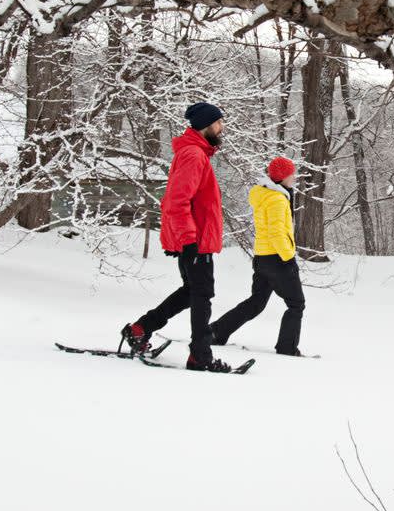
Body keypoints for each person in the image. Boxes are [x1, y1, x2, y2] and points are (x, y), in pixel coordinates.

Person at [121, 102, 233, 372]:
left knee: (191, 293)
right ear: (207, 126)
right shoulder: (194, 155)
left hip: (195, 239)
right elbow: (176, 200)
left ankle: (140, 329)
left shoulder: (196, 154)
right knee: (201, 294)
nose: (222, 127)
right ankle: (200, 356)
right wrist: (189, 240)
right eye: (218, 123)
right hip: (195, 240)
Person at [208, 156, 307, 357]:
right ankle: (287, 348)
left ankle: (216, 331)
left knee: (256, 303)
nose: (294, 177)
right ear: (282, 177)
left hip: (262, 257)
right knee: (296, 304)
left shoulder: (266, 195)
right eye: (291, 174)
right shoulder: (278, 200)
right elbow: (277, 233)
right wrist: (289, 258)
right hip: (278, 258)